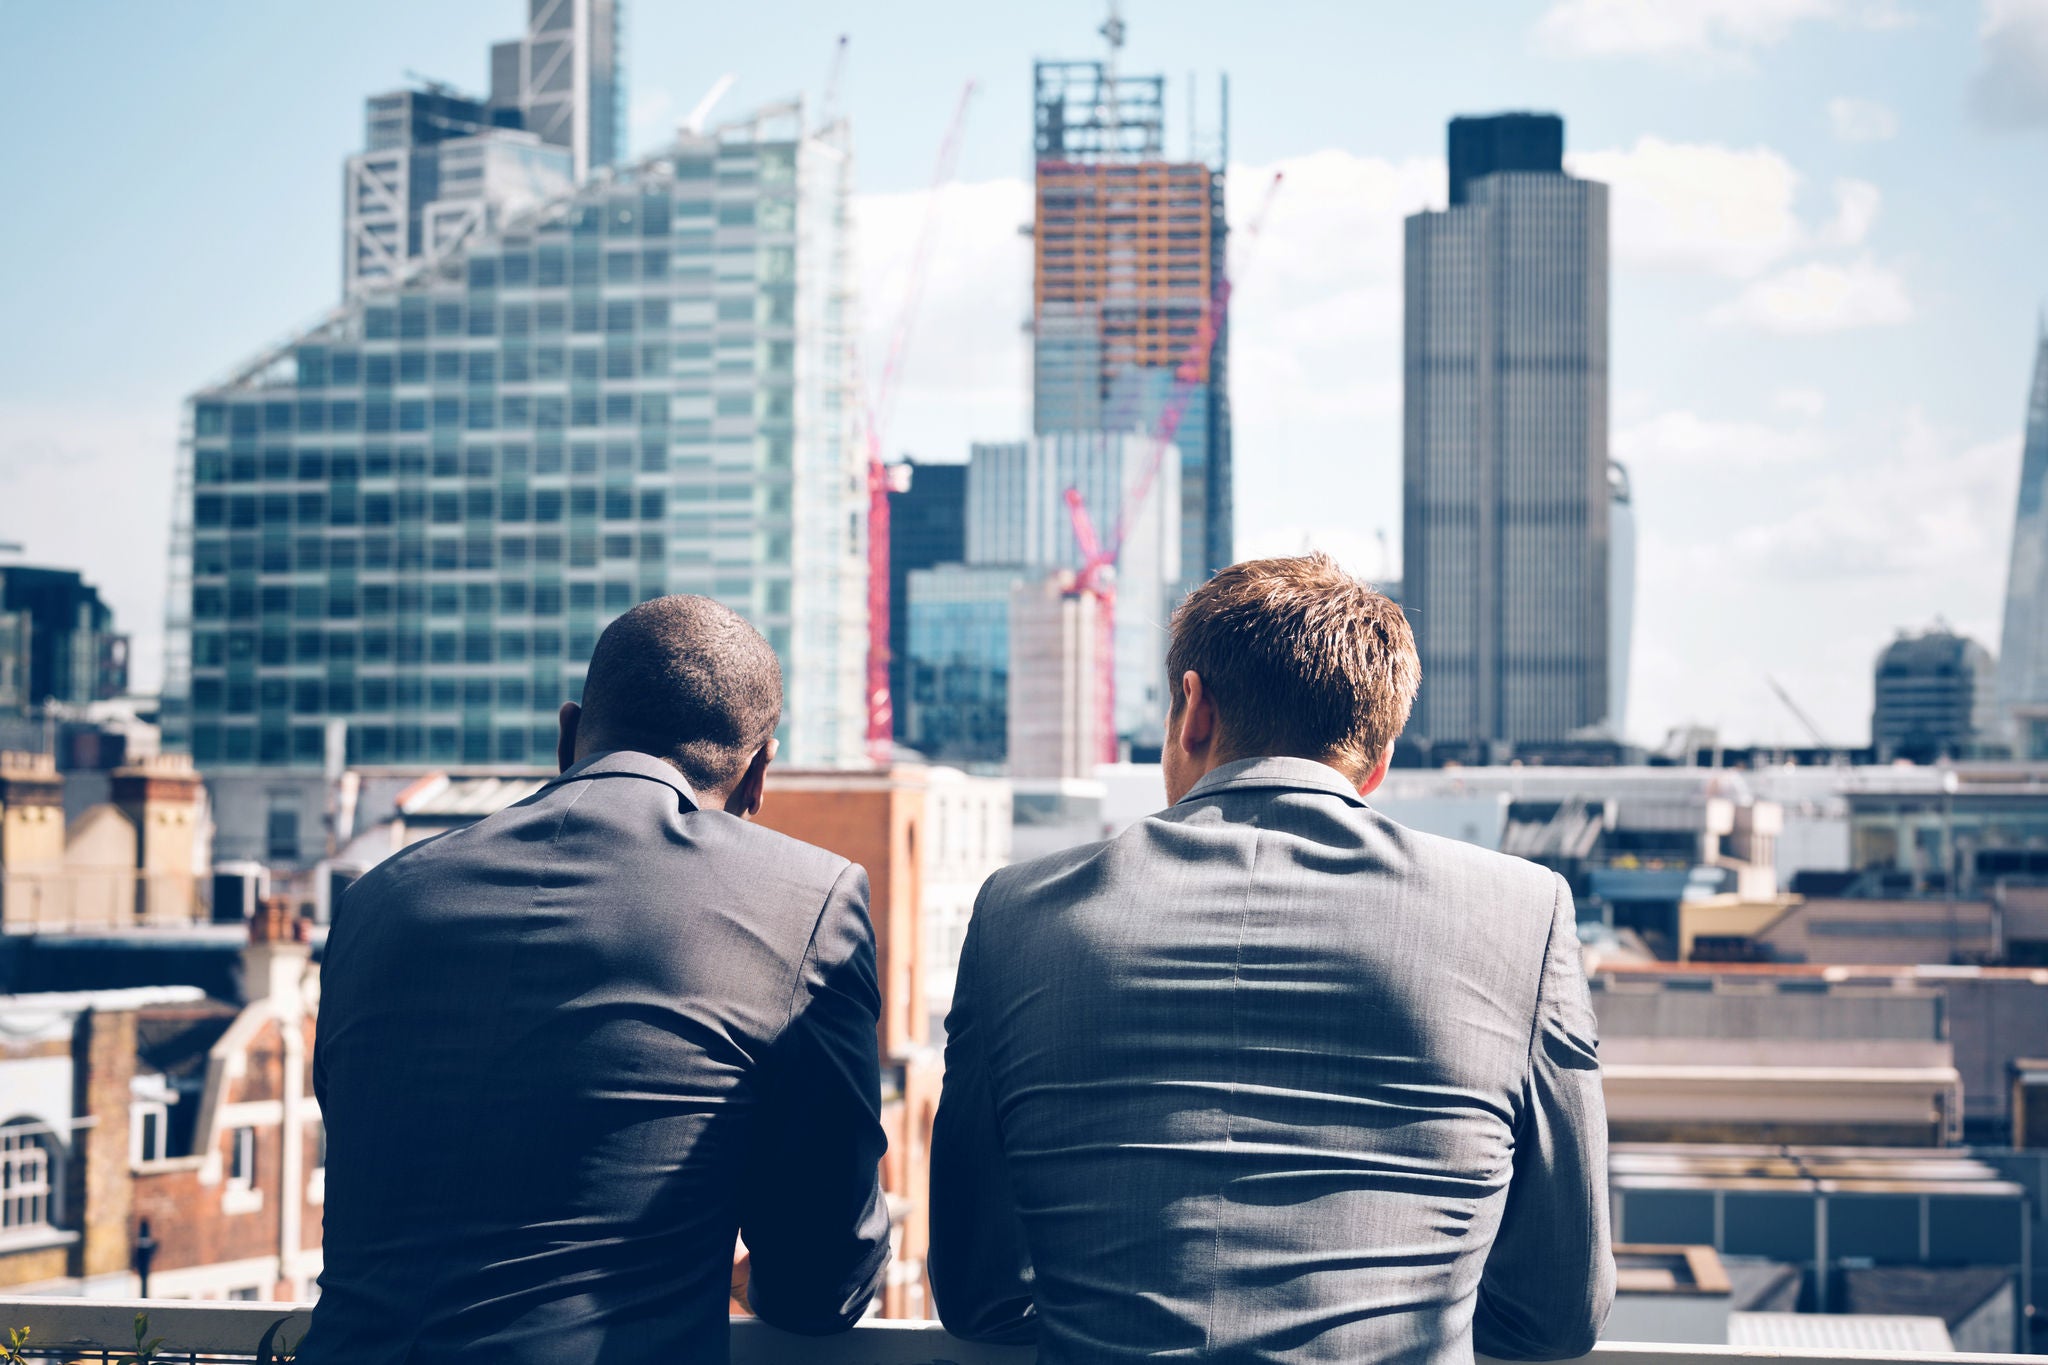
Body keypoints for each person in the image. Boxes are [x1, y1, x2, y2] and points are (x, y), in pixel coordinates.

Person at [929, 554, 1613, 1363]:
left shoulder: (1020, 912)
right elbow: (1559, 1312)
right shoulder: (1523, 913)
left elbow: (976, 1295)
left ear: (1194, 710)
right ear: (1379, 757)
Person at [301, 596, 891, 1365]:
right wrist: (746, 1280)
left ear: (568, 734)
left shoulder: (381, 897)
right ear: (759, 776)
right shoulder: (805, 900)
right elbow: (825, 1281)